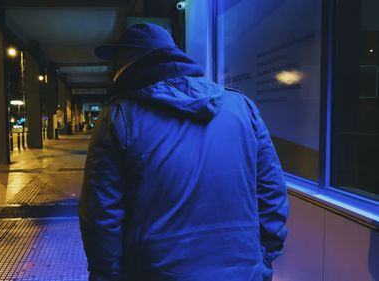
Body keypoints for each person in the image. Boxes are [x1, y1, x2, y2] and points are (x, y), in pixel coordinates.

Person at [79, 23, 288, 281]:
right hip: (244, 272)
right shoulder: (242, 107)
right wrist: (263, 260)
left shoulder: (118, 117)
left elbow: (102, 215)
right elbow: (271, 192)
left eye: (118, 63)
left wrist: (105, 276)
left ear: (129, 62)